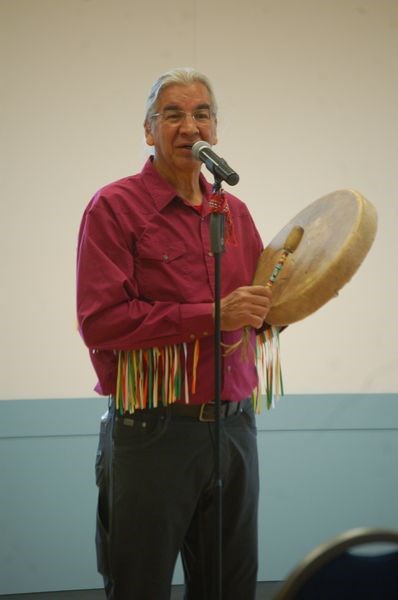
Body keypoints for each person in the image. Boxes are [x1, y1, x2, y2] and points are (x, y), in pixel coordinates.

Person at [76, 67, 273, 600]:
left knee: (230, 586)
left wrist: (289, 299)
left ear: (216, 130)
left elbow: (258, 310)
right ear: (148, 130)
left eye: (201, 113)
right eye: (173, 115)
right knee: (140, 584)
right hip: (153, 430)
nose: (190, 126)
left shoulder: (236, 213)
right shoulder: (114, 208)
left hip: (235, 428)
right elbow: (101, 322)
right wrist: (212, 314)